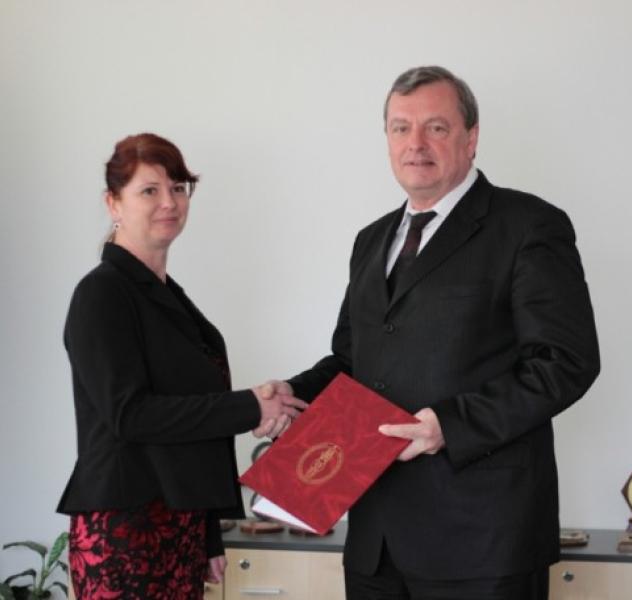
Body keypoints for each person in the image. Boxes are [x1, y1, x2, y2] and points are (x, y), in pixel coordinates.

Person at [267, 66, 601, 599]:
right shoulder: (371, 240)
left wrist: (450, 425)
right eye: (401, 128)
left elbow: (565, 362)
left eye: (436, 127)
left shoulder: (528, 225)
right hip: (375, 540)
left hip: (483, 541)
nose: (416, 143)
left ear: (471, 138)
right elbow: (353, 362)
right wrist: (293, 395)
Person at [57, 133, 307, 599]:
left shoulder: (168, 297)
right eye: (149, 190)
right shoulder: (102, 293)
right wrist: (250, 408)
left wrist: (209, 531)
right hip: (125, 530)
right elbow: (131, 415)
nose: (169, 202)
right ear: (113, 203)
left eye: (177, 187)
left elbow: (194, 421)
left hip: (180, 526)